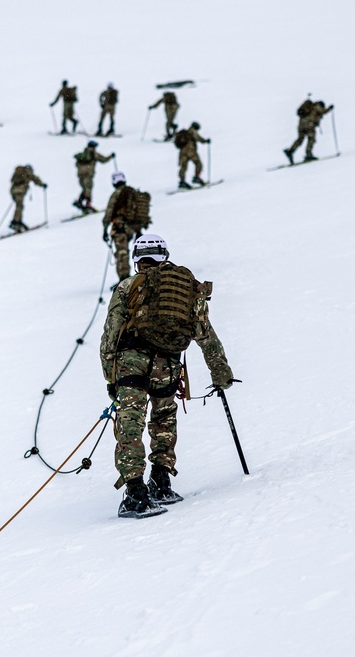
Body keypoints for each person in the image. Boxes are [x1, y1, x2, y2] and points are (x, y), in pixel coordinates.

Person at [100, 233, 236, 518]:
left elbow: (110, 335)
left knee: (130, 422)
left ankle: (136, 491)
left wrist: (111, 379)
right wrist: (221, 373)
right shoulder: (185, 289)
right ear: (165, 255)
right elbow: (205, 336)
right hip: (167, 364)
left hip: (131, 362)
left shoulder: (127, 286)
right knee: (164, 417)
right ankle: (161, 480)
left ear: (137, 259)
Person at [102, 171, 151, 284]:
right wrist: (138, 229)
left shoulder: (117, 194)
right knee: (127, 252)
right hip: (132, 228)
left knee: (122, 253)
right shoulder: (132, 193)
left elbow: (109, 213)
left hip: (119, 227)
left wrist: (105, 229)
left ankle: (124, 279)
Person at [284, 98, 334, 163]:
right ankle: (308, 154)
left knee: (300, 139)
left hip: (301, 125)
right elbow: (323, 111)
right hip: (309, 125)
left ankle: (290, 151)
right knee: (311, 138)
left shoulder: (309, 108)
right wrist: (330, 108)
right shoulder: (317, 106)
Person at [74, 140, 115, 213]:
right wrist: (111, 156)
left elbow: (76, 164)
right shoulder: (94, 154)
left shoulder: (82, 155)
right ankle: (88, 205)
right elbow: (103, 160)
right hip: (88, 174)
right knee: (89, 188)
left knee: (85, 188)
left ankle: (79, 201)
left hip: (80, 175)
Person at [9, 164, 46, 233]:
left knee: (19, 206)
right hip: (20, 191)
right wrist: (42, 184)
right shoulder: (27, 172)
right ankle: (15, 222)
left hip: (13, 191)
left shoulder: (18, 173)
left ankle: (18, 221)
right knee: (19, 207)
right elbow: (35, 179)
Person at [175, 121, 210, 189]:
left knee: (183, 167)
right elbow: (198, 138)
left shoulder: (185, 133)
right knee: (198, 163)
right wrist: (205, 141)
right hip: (190, 150)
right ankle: (197, 177)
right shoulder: (192, 130)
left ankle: (182, 181)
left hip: (182, 151)